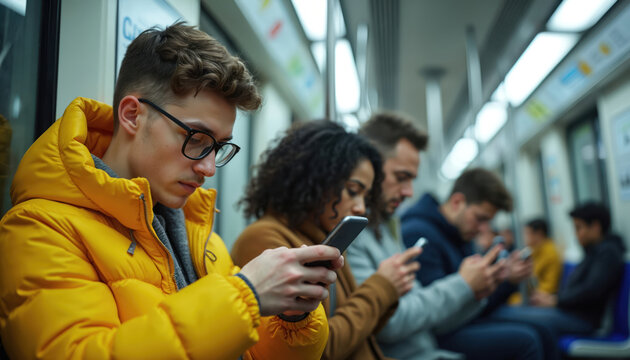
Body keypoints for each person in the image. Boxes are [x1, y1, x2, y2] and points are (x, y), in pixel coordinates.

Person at [0, 23, 343, 360]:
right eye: (195, 138)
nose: (208, 169)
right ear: (133, 115)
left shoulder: (197, 230)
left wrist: (290, 315)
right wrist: (246, 295)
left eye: (219, 148)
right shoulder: (39, 229)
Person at [347, 113, 543, 360]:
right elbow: (391, 324)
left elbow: (426, 310)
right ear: (369, 168)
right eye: (401, 177)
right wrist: (465, 285)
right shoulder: (358, 236)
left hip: (426, 346)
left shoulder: (386, 229)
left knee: (536, 332)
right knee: (528, 340)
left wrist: (479, 290)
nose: (408, 192)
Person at [231, 120, 421, 360]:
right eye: (353, 190)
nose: (361, 207)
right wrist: (382, 286)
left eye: (366, 196)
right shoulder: (264, 238)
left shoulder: (323, 238)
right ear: (316, 179)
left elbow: (360, 334)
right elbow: (321, 349)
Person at [400, 167, 542, 360]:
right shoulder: (418, 234)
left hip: (463, 320)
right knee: (528, 340)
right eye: (480, 218)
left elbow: (474, 301)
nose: (484, 229)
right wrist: (498, 284)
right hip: (438, 333)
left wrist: (502, 280)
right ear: (458, 202)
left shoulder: (460, 236)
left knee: (542, 328)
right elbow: (438, 316)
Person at [490, 202, 625, 359]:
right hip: (570, 312)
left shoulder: (608, 254)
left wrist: (555, 301)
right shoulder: (594, 252)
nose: (576, 234)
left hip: (583, 319)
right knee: (510, 313)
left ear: (595, 227)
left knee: (506, 315)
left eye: (579, 228)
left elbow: (591, 291)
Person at [508, 218, 562, 305]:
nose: (525, 237)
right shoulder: (535, 249)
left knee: (514, 301)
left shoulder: (550, 252)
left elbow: (547, 283)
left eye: (528, 233)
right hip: (536, 292)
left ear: (539, 234)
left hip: (545, 295)